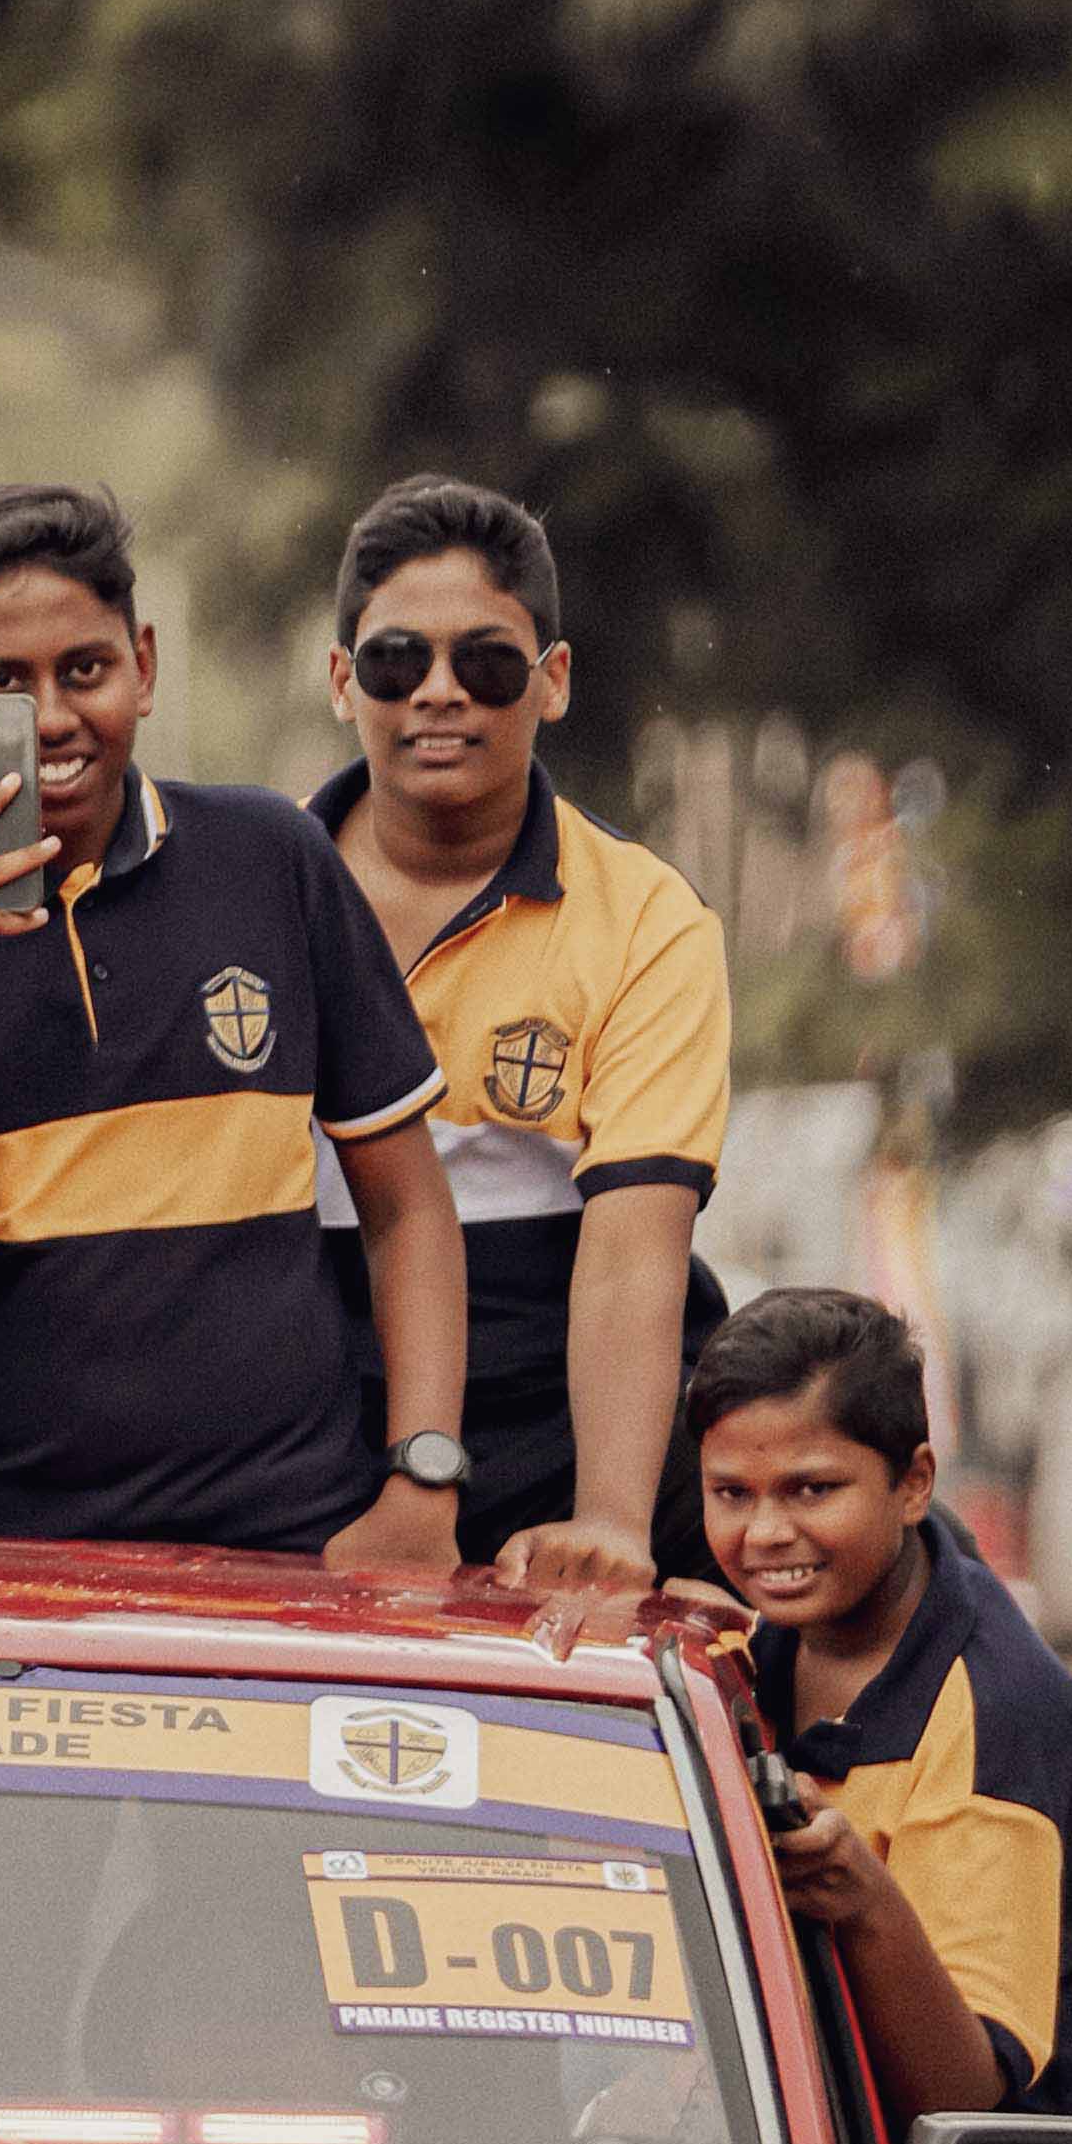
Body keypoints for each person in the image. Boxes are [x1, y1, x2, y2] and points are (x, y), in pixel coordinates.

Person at [0, 477, 470, 1560]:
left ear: (143, 667)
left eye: (85, 670)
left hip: (287, 1544)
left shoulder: (272, 860)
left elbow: (407, 1208)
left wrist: (423, 1479)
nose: (55, 716)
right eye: (2, 682)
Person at [311, 474, 730, 1588]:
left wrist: (607, 1520)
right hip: (307, 1446)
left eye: (485, 664)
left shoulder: (647, 921)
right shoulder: (256, 895)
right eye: (398, 662)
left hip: (575, 1436)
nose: (438, 694)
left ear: (550, 683)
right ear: (342, 680)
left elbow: (634, 1253)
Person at [691, 1282, 1072, 2144]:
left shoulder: (995, 1715)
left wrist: (864, 1902)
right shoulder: (753, 1656)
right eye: (732, 1493)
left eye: (812, 1489)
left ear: (913, 1483)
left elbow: (964, 2094)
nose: (767, 1532)